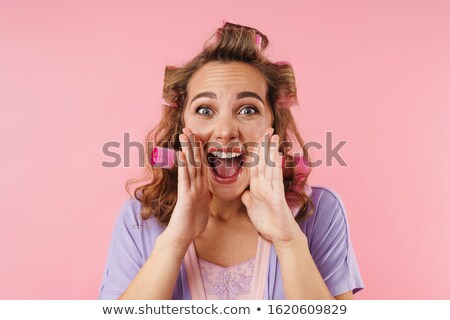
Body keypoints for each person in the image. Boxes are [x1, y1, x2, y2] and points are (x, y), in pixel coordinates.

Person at [98, 22, 364, 300]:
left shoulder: (319, 212)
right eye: (204, 110)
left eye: (248, 109)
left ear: (273, 122)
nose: (225, 131)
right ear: (182, 126)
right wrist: (175, 241)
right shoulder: (139, 220)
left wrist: (288, 240)